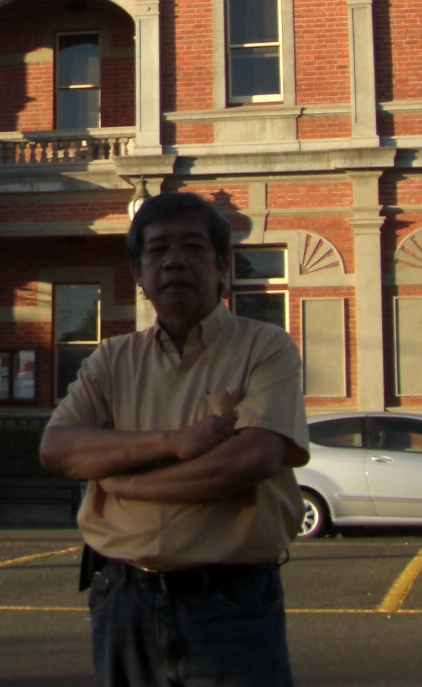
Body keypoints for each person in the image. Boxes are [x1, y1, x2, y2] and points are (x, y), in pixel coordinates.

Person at [40, 191, 310, 687]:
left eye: (193, 247)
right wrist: (172, 442)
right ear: (138, 274)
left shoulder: (265, 347)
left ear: (222, 266)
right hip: (123, 599)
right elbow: (57, 448)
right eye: (158, 250)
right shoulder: (112, 359)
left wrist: (126, 483)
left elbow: (251, 458)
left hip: (231, 604)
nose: (174, 262)